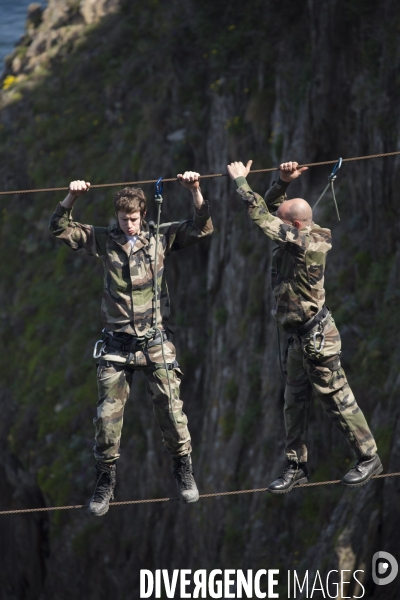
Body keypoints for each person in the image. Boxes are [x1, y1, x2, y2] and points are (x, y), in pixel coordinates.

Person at [49, 172, 213, 515]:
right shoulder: (104, 239)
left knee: (172, 409)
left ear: (142, 214)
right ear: (117, 217)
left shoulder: (158, 238)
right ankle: (105, 481)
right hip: (117, 343)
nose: (130, 225)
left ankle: (183, 470)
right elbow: (59, 227)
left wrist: (195, 190)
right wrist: (72, 196)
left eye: (134, 219)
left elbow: (201, 226)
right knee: (107, 420)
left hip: (154, 339)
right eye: (124, 219)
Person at [227, 159, 381, 493]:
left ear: (295, 225)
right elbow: (269, 213)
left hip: (317, 337)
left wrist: (241, 182)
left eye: (282, 222)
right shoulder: (301, 234)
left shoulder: (302, 246)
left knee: (337, 399)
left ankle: (369, 457)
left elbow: (260, 217)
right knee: (293, 402)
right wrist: (281, 183)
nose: (275, 225)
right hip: (299, 338)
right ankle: (296, 465)